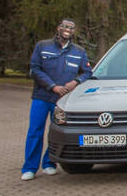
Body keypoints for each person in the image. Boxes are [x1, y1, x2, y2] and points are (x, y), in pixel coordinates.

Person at [23, 19, 93, 180]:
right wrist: (52, 86)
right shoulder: (43, 46)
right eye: (65, 26)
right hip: (42, 97)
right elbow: (35, 69)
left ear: (73, 32)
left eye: (71, 28)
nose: (67, 30)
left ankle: (49, 163)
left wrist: (75, 82)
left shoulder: (79, 51)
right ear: (58, 28)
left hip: (62, 101)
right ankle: (29, 168)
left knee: (56, 132)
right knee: (35, 132)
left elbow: (87, 72)